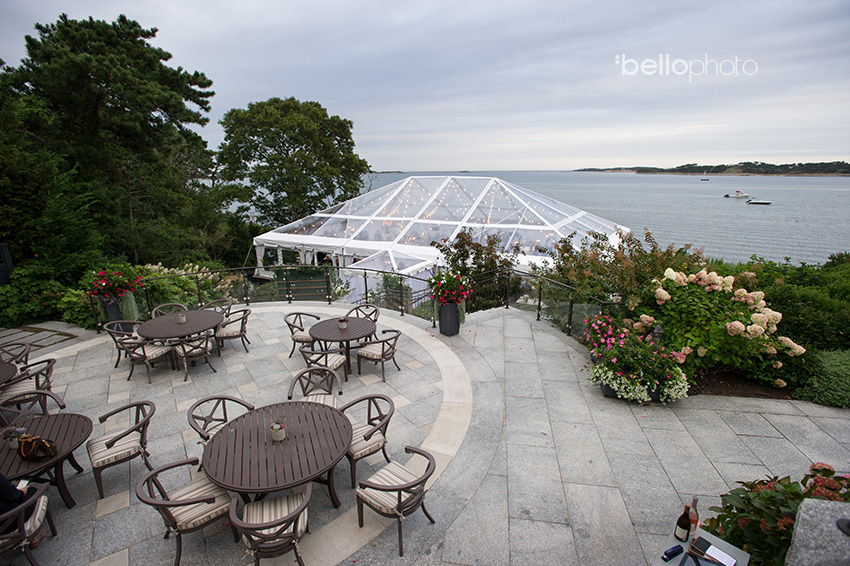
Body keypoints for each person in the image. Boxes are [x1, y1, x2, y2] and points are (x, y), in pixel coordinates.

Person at [0, 473, 44, 545]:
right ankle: (32, 536)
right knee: (32, 492)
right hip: (6, 522)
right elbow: (14, 494)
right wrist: (21, 492)